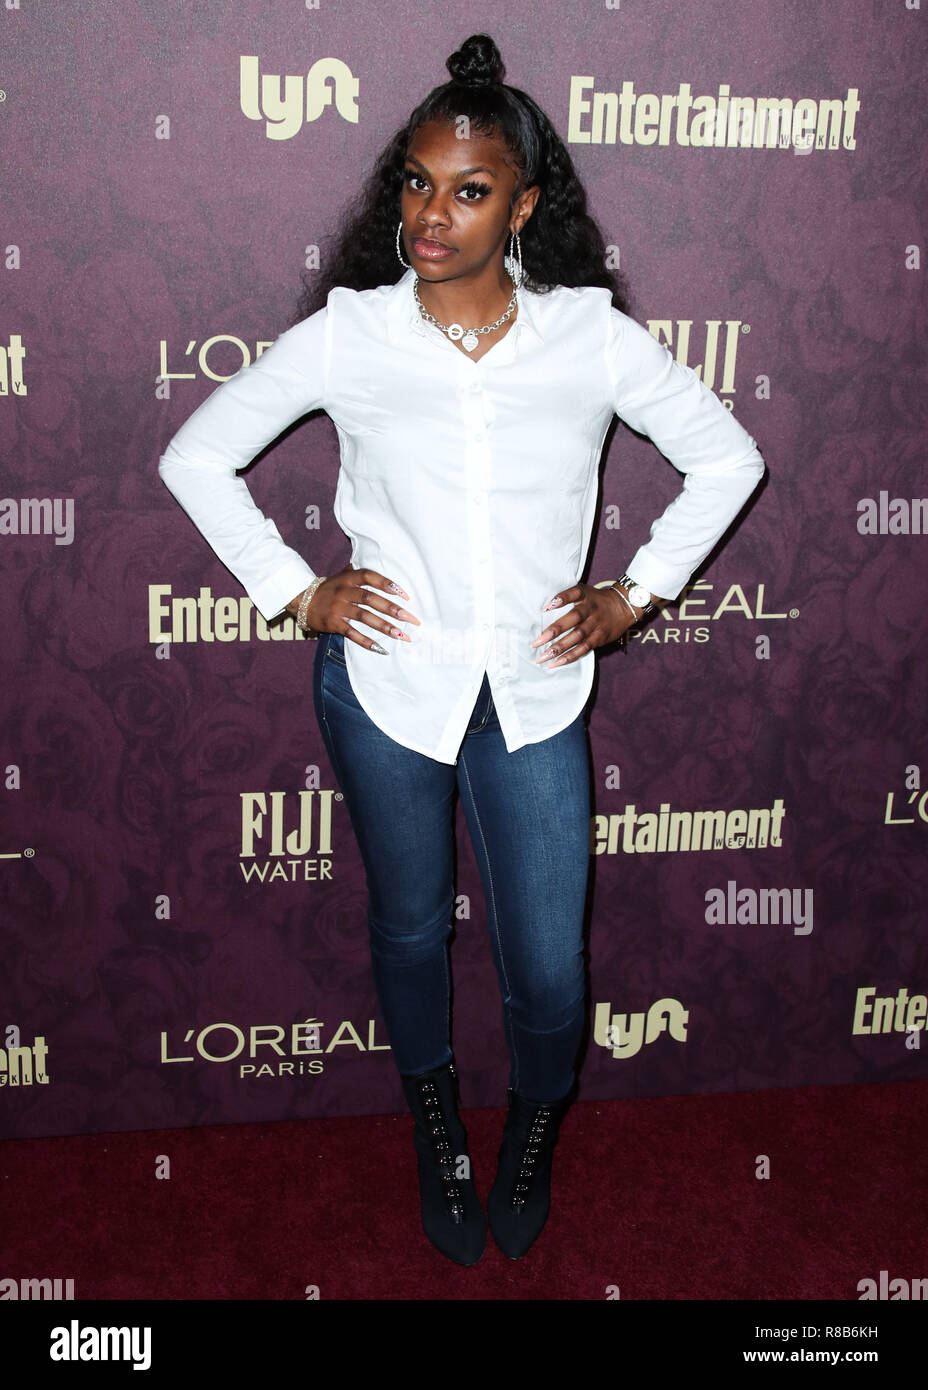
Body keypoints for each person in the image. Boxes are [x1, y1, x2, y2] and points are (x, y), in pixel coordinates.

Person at [158, 32, 765, 1268]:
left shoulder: (586, 338)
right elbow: (194, 456)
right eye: (417, 182)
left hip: (537, 691)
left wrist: (635, 592)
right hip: (385, 686)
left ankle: (531, 1128)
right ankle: (437, 1122)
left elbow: (727, 458)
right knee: (407, 929)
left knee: (547, 963)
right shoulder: (351, 333)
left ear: (525, 207)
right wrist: (296, 589)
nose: (433, 214)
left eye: (469, 189)